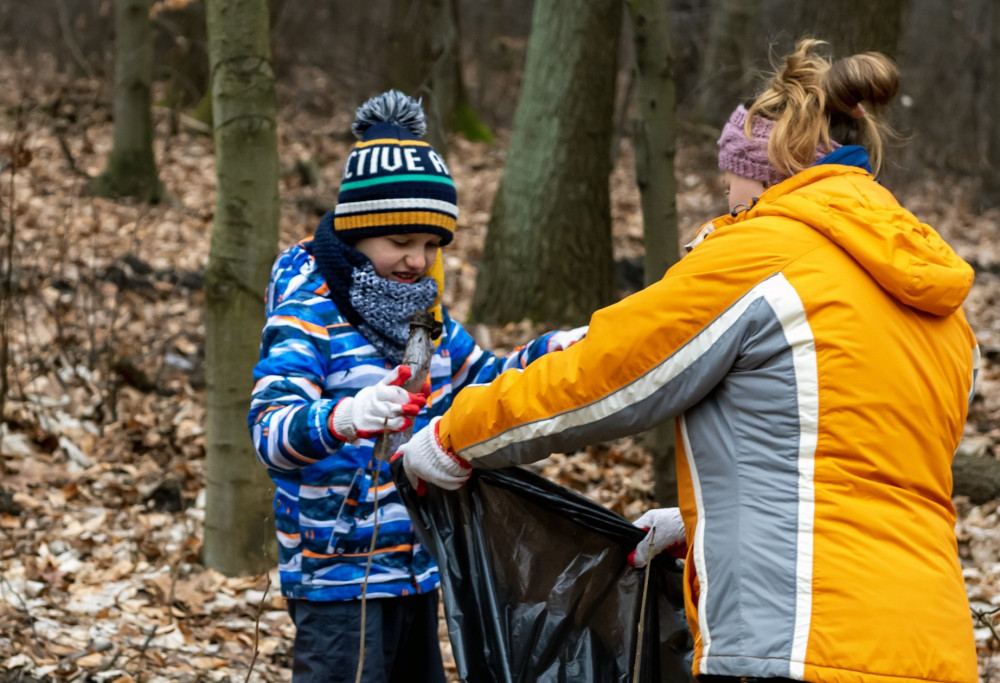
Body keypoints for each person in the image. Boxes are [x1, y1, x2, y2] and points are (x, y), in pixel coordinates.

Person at [396, 39, 980, 683]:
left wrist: (457, 435)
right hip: (935, 646)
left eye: (729, 181)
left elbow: (609, 374)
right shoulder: (936, 302)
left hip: (800, 641)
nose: (726, 200)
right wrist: (708, 519)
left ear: (767, 166)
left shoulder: (761, 253)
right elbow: (867, 461)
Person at [248, 90, 585, 683]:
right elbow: (269, 431)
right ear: (357, 234)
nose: (417, 261)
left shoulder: (424, 317)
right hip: (337, 578)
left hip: (417, 568)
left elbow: (482, 378)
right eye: (400, 243)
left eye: (431, 245)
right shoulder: (307, 315)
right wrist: (345, 416)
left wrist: (548, 352)